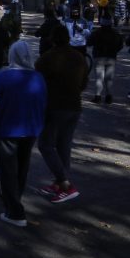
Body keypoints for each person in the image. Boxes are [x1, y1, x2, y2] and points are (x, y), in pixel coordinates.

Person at [0, 41, 46, 227]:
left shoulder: (5, 77)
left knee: (6, 170)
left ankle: (14, 211)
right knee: (22, 166)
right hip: (31, 128)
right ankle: (16, 199)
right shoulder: (38, 77)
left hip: (6, 129)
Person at [35, 25, 89, 203]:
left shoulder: (47, 58)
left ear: (52, 39)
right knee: (64, 145)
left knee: (46, 144)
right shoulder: (79, 57)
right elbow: (84, 82)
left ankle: (65, 183)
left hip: (55, 106)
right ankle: (61, 182)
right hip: (74, 105)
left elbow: (38, 83)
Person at [86, 17, 124, 104]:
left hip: (99, 57)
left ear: (101, 23)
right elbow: (120, 45)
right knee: (109, 78)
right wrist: (115, 51)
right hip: (111, 57)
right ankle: (109, 96)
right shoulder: (115, 33)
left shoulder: (96, 33)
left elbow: (89, 42)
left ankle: (98, 96)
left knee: (99, 78)